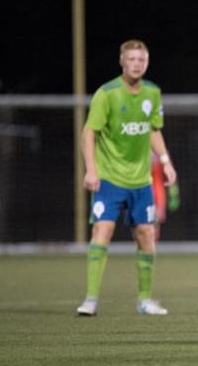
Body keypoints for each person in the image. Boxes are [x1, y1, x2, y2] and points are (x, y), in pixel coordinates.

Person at [76, 39, 177, 316]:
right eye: (131, 59)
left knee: (146, 235)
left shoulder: (153, 93)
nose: (136, 64)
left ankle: (145, 300)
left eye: (141, 60)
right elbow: (89, 132)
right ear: (122, 62)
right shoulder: (106, 94)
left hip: (141, 181)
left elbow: (154, 129)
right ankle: (91, 299)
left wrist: (166, 161)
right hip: (109, 179)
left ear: (147, 62)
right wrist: (91, 168)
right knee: (103, 231)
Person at [151, 153, 180, 242]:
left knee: (155, 222)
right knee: (143, 224)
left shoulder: (163, 154)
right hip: (144, 190)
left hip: (158, 193)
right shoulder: (140, 150)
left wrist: (174, 195)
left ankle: (151, 248)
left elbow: (171, 176)